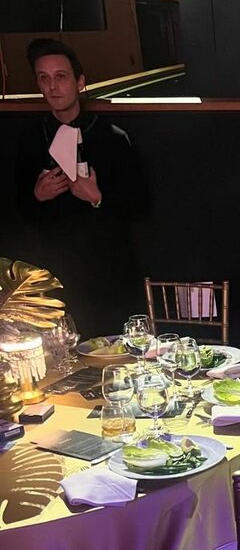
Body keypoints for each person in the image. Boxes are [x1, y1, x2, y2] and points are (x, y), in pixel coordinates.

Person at [14, 38, 147, 336]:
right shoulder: (30, 141)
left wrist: (98, 197)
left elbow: (140, 207)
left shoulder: (113, 138)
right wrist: (37, 196)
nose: (52, 87)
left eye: (61, 76)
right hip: (57, 274)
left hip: (111, 272)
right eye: (44, 78)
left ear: (80, 82)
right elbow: (21, 211)